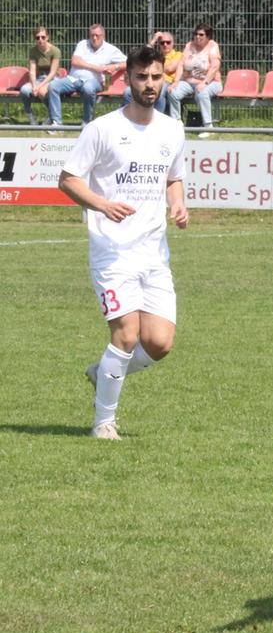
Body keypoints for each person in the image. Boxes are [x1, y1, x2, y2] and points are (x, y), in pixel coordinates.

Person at [57, 44, 189, 440]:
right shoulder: (102, 128)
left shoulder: (172, 129)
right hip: (112, 251)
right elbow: (68, 179)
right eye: (141, 77)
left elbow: (173, 177)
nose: (149, 85)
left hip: (154, 252)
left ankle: (103, 373)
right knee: (127, 335)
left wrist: (178, 205)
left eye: (155, 77)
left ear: (163, 78)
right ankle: (104, 423)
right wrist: (102, 205)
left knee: (160, 343)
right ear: (126, 79)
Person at [47, 24, 126, 127]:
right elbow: (75, 61)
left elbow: (129, 62)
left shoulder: (110, 49)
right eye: (92, 35)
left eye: (97, 35)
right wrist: (97, 68)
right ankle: (57, 122)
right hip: (73, 79)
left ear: (103, 36)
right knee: (53, 86)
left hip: (94, 81)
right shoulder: (82, 44)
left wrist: (114, 67)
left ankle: (87, 122)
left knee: (88, 88)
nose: (94, 38)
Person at [168, 23, 222, 137]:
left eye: (201, 35)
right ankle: (176, 124)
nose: (198, 37)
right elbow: (181, 65)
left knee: (202, 92)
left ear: (208, 36)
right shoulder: (189, 46)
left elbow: (214, 67)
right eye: (196, 34)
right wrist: (176, 81)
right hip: (189, 81)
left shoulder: (213, 46)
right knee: (172, 91)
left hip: (211, 82)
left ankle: (208, 126)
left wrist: (205, 82)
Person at [123, 32, 182, 114]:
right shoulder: (156, 55)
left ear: (173, 43)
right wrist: (153, 40)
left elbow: (170, 68)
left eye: (168, 42)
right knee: (128, 92)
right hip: (148, 79)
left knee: (159, 93)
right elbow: (142, 55)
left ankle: (156, 120)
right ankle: (129, 117)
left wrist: (154, 65)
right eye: (162, 42)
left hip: (167, 82)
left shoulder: (178, 54)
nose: (165, 45)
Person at [19, 26, 61, 126]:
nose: (40, 40)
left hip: (52, 78)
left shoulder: (55, 51)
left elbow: (53, 72)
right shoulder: (33, 51)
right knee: (24, 90)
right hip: (38, 78)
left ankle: (51, 116)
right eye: (37, 38)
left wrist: (39, 86)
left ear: (47, 37)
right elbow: (32, 70)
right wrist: (34, 86)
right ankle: (30, 115)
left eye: (43, 37)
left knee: (42, 92)